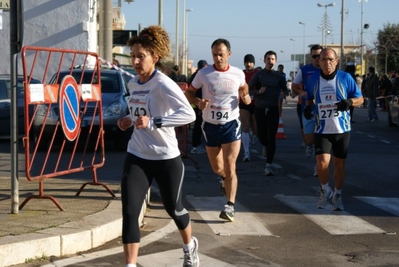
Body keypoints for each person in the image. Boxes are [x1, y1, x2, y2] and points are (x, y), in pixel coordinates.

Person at [117, 25, 199, 267]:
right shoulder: (132, 84)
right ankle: (130, 265)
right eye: (132, 56)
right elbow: (138, 113)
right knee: (130, 212)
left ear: (155, 56)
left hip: (165, 157)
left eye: (140, 56)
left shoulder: (164, 83)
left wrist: (154, 122)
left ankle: (189, 246)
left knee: (174, 209)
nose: (135, 61)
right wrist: (128, 119)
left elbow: (188, 115)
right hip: (137, 155)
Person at [185, 38, 251, 222]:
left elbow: (244, 87)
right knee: (217, 168)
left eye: (221, 54)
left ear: (229, 54)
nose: (218, 58)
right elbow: (189, 92)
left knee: (231, 165)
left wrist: (245, 96)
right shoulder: (203, 73)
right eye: (214, 54)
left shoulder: (237, 73)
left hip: (231, 124)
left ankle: (229, 206)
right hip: (210, 126)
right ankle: (223, 179)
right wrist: (197, 102)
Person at [304, 48, 363, 211]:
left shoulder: (345, 78)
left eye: (330, 59)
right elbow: (309, 99)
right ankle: (324, 189)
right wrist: (308, 108)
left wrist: (349, 102)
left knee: (339, 165)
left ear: (336, 61)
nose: (327, 62)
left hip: (341, 129)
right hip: (322, 129)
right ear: (319, 62)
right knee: (321, 164)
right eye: (323, 59)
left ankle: (337, 194)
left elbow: (360, 99)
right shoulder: (313, 79)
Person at [248, 50, 288, 176]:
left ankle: (268, 164)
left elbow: (285, 89)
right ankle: (264, 145)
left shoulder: (279, 76)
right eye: (268, 59)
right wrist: (258, 92)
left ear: (275, 61)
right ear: (264, 60)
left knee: (272, 137)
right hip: (259, 108)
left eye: (272, 59)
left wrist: (283, 93)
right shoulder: (259, 75)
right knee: (261, 136)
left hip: (273, 108)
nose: (270, 61)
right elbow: (248, 89)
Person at [291, 44, 322, 176]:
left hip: (323, 110)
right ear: (311, 57)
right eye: (314, 56)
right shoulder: (304, 70)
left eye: (319, 56)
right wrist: (301, 92)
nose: (317, 59)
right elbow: (294, 86)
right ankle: (309, 145)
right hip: (308, 108)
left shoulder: (327, 70)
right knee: (310, 140)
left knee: (321, 140)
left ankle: (318, 166)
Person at [241, 54, 259, 162]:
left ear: (254, 63)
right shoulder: (241, 74)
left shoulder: (258, 74)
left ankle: (254, 134)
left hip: (256, 104)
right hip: (244, 104)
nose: (248, 64)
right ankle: (246, 153)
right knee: (245, 127)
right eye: (247, 62)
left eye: (250, 62)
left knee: (256, 128)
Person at [189, 60, 208, 154]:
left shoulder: (198, 75)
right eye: (204, 67)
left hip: (197, 104)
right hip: (197, 105)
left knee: (200, 125)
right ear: (199, 68)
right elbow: (196, 92)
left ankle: (197, 144)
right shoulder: (197, 76)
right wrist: (199, 105)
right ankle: (195, 146)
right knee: (198, 125)